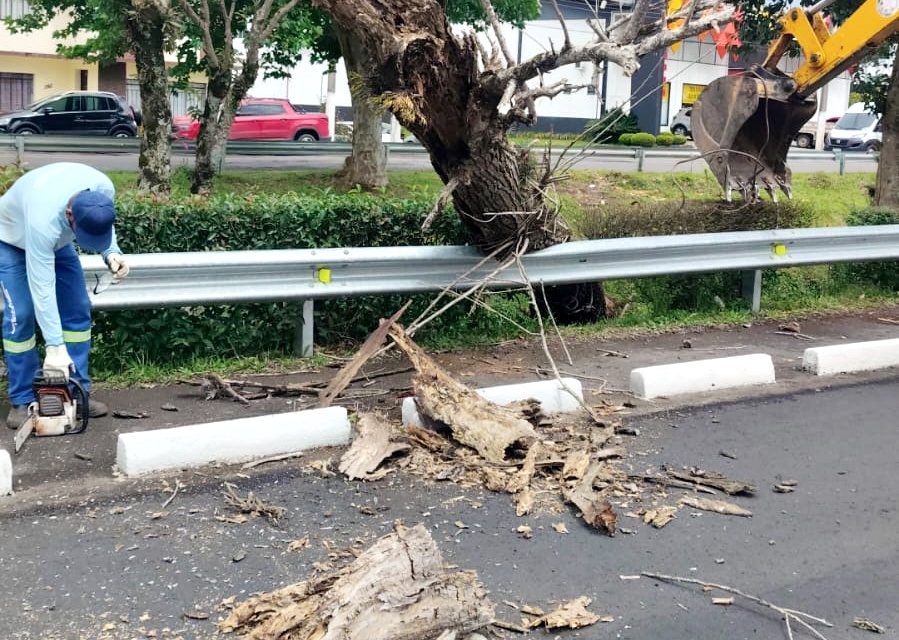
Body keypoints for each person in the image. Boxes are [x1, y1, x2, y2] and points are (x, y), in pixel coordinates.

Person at [0, 162, 130, 429]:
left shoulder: (103, 187)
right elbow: (42, 288)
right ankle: (22, 399)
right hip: (11, 240)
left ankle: (75, 393)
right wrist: (55, 347)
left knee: (78, 308)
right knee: (21, 314)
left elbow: (103, 222)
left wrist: (111, 251)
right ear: (70, 214)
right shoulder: (43, 217)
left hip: (57, 241)